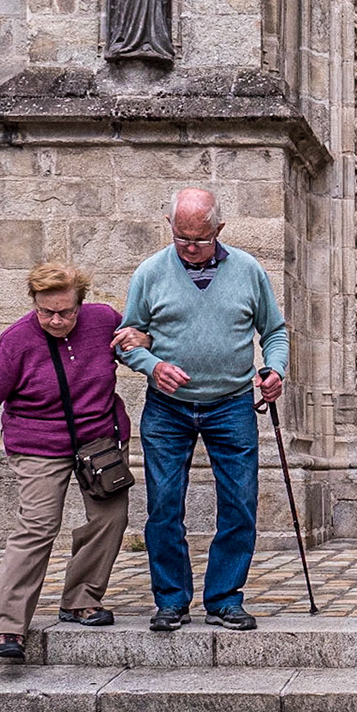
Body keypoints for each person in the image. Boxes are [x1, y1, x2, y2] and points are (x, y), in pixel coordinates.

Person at [0, 262, 145, 661]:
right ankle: (9, 627)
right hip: (38, 445)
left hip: (100, 442)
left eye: (65, 312)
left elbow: (137, 344)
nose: (55, 320)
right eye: (45, 311)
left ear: (80, 304)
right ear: (34, 304)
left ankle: (80, 599)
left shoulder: (103, 319)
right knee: (38, 525)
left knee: (110, 518)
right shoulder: (16, 341)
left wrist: (143, 338)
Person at [115, 187, 288, 632]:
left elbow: (275, 332)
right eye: (182, 238)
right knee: (165, 505)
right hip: (167, 409)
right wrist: (152, 367)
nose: (190, 248)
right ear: (170, 228)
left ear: (219, 230)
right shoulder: (151, 272)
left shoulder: (248, 270)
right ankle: (171, 599)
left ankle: (225, 598)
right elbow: (127, 337)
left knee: (240, 503)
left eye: (201, 239)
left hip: (230, 405)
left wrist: (275, 369)